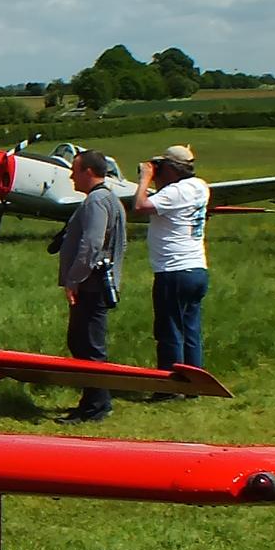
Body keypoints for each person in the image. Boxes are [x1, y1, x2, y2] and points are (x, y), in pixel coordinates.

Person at [56, 149, 127, 422]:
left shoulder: (96, 202)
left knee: (87, 345)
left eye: (75, 170)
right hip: (96, 284)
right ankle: (94, 400)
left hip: (90, 286)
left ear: (88, 172)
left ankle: (96, 406)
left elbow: (92, 244)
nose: (71, 175)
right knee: (84, 342)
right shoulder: (110, 199)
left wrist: (74, 279)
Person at [134, 144, 210, 374]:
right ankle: (193, 381)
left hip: (173, 270)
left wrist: (145, 178)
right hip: (196, 268)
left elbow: (139, 205)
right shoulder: (200, 187)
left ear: (172, 168)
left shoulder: (175, 192)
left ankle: (170, 384)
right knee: (190, 330)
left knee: (170, 331)